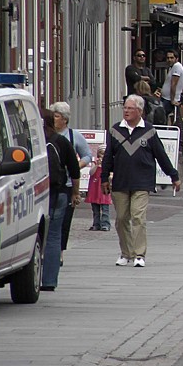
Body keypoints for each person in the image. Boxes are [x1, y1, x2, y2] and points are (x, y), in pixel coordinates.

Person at [99, 95, 181, 269]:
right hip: (121, 181)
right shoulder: (115, 130)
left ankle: (139, 254)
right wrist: (104, 178)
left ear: (139, 111)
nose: (126, 111)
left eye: (130, 108)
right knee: (121, 219)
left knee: (137, 217)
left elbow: (161, 155)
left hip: (142, 181)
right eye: (125, 108)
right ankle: (125, 253)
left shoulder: (149, 131)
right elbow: (107, 157)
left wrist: (173, 176)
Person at [40, 110, 80, 291]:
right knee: (54, 236)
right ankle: (49, 281)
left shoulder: (34, 141)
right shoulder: (61, 141)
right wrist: (75, 193)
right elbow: (74, 170)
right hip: (59, 193)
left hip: (36, 194)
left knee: (35, 236)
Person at [50, 102, 90, 254]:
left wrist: (77, 166)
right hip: (51, 182)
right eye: (53, 116)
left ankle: (59, 251)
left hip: (67, 183)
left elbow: (87, 155)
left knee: (64, 221)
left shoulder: (73, 136)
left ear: (64, 119)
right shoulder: (47, 135)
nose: (54, 119)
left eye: (57, 116)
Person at [86, 147, 112, 231]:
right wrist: (97, 165)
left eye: (104, 154)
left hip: (104, 188)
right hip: (95, 188)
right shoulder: (95, 163)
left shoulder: (109, 164)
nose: (103, 156)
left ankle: (105, 224)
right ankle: (96, 224)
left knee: (105, 208)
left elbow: (111, 175)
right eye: (101, 154)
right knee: (95, 209)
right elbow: (91, 173)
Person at [160, 50, 183, 118]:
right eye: (168, 58)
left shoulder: (177, 66)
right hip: (166, 98)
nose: (169, 60)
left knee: (162, 118)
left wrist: (172, 99)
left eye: (172, 58)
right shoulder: (173, 67)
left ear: (176, 59)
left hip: (168, 100)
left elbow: (174, 84)